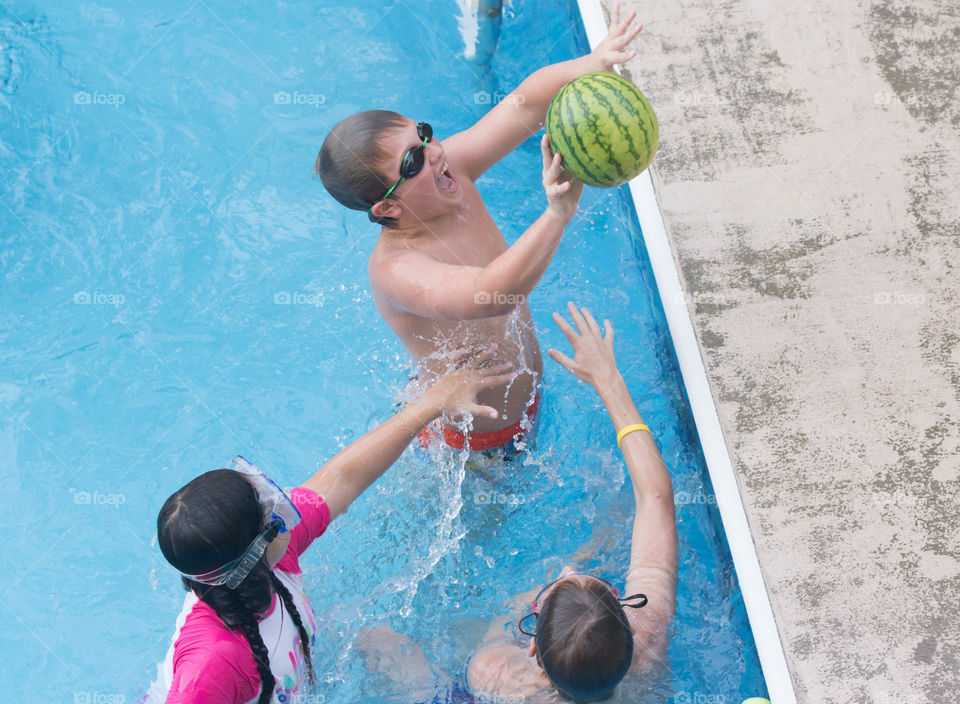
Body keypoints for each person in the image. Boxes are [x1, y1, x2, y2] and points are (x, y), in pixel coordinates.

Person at [314, 6, 643, 453]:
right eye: (412, 161)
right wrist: (556, 214)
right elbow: (489, 294)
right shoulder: (397, 269)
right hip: (470, 446)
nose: (433, 151)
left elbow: (526, 105)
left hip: (526, 406)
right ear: (387, 206)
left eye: (423, 133)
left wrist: (591, 62)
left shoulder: (454, 168)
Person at [144, 351, 513, 704]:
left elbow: (343, 477)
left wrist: (430, 404)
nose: (282, 506)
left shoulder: (274, 552)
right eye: (270, 509)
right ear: (257, 549)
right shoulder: (212, 661)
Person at [464, 303, 679, 702]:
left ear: (532, 649)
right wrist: (608, 380)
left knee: (377, 639)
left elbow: (497, 628)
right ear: (629, 627)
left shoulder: (496, 674)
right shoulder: (648, 645)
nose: (567, 568)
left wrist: (553, 582)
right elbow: (655, 497)